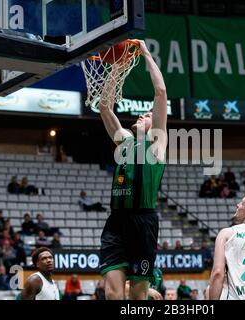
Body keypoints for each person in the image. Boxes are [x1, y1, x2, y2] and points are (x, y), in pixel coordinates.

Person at [98, 40, 167, 300]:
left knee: (138, 297)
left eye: (148, 115)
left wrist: (146, 52)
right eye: (141, 115)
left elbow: (160, 92)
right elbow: (105, 106)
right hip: (116, 220)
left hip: (143, 221)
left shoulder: (157, 143)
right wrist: (118, 67)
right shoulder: (124, 141)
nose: (143, 116)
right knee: (112, 292)